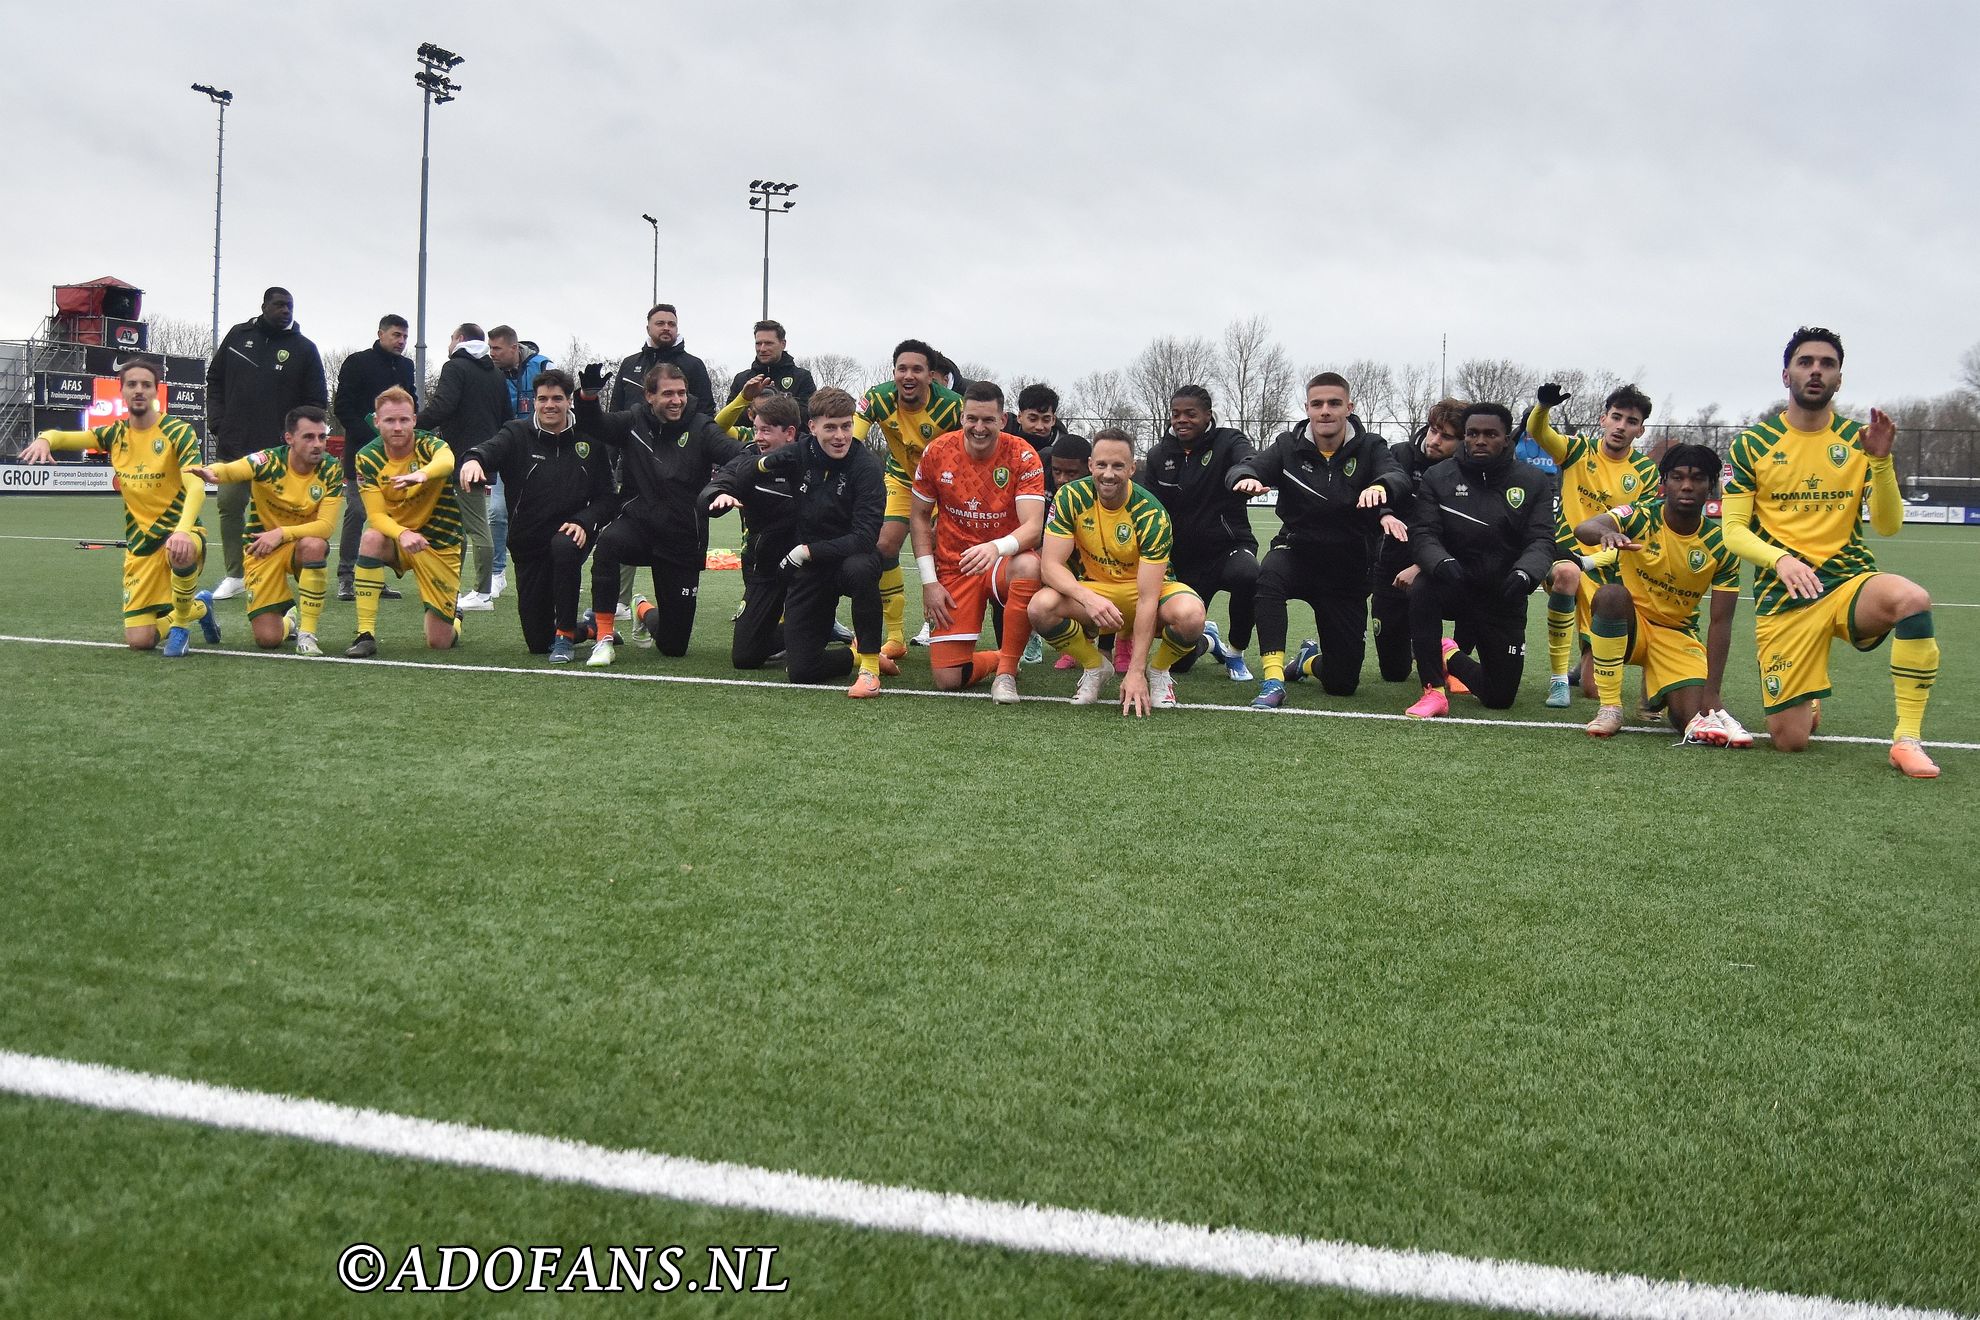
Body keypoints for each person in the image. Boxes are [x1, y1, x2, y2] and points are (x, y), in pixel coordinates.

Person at [1718, 327, 1941, 777]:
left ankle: (1907, 739)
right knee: (1790, 741)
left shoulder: (1858, 441)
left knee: (1912, 600)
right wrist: (1780, 559)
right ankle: (1807, 698)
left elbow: (1888, 525)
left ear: (1840, 377)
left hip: (1847, 581)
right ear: (1786, 375)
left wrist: (1881, 461)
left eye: (1827, 364)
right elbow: (1734, 532)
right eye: (1805, 362)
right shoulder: (1751, 445)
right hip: (1785, 596)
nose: (1816, 370)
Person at [20, 357, 219, 656]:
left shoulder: (179, 432)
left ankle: (180, 624)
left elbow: (195, 486)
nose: (139, 390)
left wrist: (182, 531)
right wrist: (45, 439)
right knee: (140, 640)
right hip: (140, 545)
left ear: (155, 391)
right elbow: (65, 436)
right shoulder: (114, 434)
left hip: (179, 535)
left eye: (146, 385)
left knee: (183, 547)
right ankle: (200, 607)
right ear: (122, 391)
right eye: (132, 384)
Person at [1233, 372, 1406, 709]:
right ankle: (1273, 679)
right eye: (1317, 404)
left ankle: (1306, 662)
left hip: (1347, 570)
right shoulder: (1287, 444)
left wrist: (1381, 486)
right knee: (1268, 573)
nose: (1325, 410)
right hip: (1297, 553)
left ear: (1349, 407)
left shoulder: (1371, 446)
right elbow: (1249, 466)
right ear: (1308, 408)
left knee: (1342, 684)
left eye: (1333, 403)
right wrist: (1246, 477)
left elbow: (1396, 475)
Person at [709, 387, 887, 694]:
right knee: (802, 671)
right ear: (813, 427)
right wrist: (730, 489)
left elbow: (864, 538)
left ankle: (870, 668)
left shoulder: (867, 467)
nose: (840, 436)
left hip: (845, 557)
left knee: (862, 569)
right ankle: (853, 654)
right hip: (812, 569)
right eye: (830, 427)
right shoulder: (799, 453)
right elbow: (751, 467)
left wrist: (806, 551)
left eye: (846, 426)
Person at [1571, 444, 1748, 742]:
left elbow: (1721, 623)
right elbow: (1585, 527)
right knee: (1611, 595)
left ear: (1711, 485)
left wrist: (1712, 693)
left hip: (1677, 635)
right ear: (1664, 482)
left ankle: (1659, 691)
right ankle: (1610, 707)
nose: (1687, 486)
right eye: (1677, 477)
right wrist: (1606, 533)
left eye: (1698, 478)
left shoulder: (1722, 544)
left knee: (1691, 720)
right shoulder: (1641, 516)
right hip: (1632, 627)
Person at [575, 362, 744, 667]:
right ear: (649, 396)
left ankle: (642, 609)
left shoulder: (702, 427)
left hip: (681, 536)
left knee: (673, 646)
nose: (677, 400)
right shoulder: (633, 420)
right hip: (639, 525)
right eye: (668, 393)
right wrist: (587, 397)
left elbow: (741, 455)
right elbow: (595, 424)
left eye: (681, 393)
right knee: (609, 543)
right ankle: (604, 637)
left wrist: (721, 488)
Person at [1031, 428, 1206, 715]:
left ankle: (1159, 671)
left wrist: (1136, 671)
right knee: (1040, 607)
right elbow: (1049, 567)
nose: (1108, 474)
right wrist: (1087, 597)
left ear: (1132, 468)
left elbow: (1148, 597)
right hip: (1097, 590)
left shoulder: (1151, 513)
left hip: (1146, 591)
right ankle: (1095, 667)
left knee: (1192, 615)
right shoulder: (1070, 497)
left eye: (1118, 466)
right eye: (1101, 465)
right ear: (1090, 465)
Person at [1403, 403, 1556, 716]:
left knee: (1499, 698)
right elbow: (1423, 534)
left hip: (1504, 592)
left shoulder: (1534, 481)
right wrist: (1440, 562)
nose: (1480, 440)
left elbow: (1541, 540)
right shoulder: (1438, 477)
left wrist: (1526, 573)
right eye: (1472, 434)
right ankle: (1432, 690)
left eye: (1490, 434)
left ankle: (1450, 655)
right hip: (1454, 584)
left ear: (1505, 439)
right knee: (1422, 587)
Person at [458, 370, 617, 663]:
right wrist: (472, 460)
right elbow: (486, 451)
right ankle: (590, 628)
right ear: (534, 403)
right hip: (528, 543)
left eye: (557, 398)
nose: (550, 405)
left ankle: (565, 637)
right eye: (543, 399)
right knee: (536, 641)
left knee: (564, 545)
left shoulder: (590, 438)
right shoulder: (515, 434)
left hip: (572, 534)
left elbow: (608, 498)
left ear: (570, 402)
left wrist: (584, 520)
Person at [909, 381, 1048, 703]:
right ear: (961, 417)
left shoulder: (1022, 454)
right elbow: (918, 517)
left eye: (988, 420)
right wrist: (929, 583)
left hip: (1001, 561)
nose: (979, 427)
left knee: (1028, 563)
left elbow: (1033, 528)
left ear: (1002, 419)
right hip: (954, 566)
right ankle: (999, 657)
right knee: (947, 680)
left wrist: (995, 547)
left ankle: (1006, 674)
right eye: (972, 418)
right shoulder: (938, 452)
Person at [1524, 382, 1660, 707]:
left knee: (1593, 690)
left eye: (1630, 421)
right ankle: (1557, 681)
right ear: (1603, 419)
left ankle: (1581, 666)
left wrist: (1595, 561)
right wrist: (1542, 407)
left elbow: (1635, 530)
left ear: (1640, 430)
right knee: (1568, 573)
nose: (1621, 426)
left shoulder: (1645, 472)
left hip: (1608, 571)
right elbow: (1539, 433)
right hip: (1563, 557)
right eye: (1616, 417)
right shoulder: (1578, 451)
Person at [189, 404, 342, 655]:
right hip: (261, 550)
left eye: (321, 436)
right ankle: (290, 621)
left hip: (297, 545)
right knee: (268, 640)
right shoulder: (268, 461)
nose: (317, 444)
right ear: (289, 438)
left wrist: (281, 533)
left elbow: (325, 527)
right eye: (308, 437)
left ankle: (307, 634)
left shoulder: (330, 468)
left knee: (315, 545)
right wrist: (211, 472)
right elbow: (233, 469)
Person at [206, 286, 327, 601]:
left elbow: (316, 403)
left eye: (290, 305)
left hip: (279, 452)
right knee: (229, 506)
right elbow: (214, 379)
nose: (285, 310)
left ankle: (276, 574)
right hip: (234, 444)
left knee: (279, 516)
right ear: (264, 306)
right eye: (278, 305)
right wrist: (217, 421)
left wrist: (296, 441)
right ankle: (235, 575)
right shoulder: (237, 335)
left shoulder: (305, 349)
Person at [1137, 385, 1257, 680]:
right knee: (1180, 664)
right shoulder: (1158, 455)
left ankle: (1235, 653)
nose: (1181, 420)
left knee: (1248, 575)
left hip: (1227, 549)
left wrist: (1247, 475)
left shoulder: (1229, 441)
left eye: (1190, 414)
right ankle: (1208, 640)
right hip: (1184, 560)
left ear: (1207, 415)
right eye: (1176, 414)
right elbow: (1150, 508)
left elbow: (1248, 459)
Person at [854, 340, 964, 659]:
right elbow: (853, 442)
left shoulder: (953, 406)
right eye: (902, 368)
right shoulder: (877, 397)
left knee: (943, 551)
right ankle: (895, 636)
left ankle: (941, 629)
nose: (908, 375)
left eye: (917, 369)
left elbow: (971, 451)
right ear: (894, 372)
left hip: (945, 486)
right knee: (884, 546)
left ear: (931, 375)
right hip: (902, 479)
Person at [347, 386, 463, 657]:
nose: (397, 427)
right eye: (389, 420)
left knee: (439, 642)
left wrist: (423, 474)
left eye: (403, 420)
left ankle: (454, 617)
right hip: (401, 539)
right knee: (372, 537)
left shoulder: (431, 445)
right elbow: (375, 516)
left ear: (414, 419)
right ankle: (365, 634)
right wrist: (402, 534)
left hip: (439, 541)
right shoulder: (367, 457)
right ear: (377, 422)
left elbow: (447, 461)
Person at [701, 393, 803, 669]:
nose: (758, 436)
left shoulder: (810, 460)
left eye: (766, 430)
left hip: (806, 567)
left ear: (790, 433)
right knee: (745, 656)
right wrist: (718, 495)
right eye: (756, 429)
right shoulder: (747, 459)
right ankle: (809, 629)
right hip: (765, 570)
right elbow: (714, 488)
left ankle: (855, 651)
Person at [418, 323, 512, 612]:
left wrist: (412, 424)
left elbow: (443, 406)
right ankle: (452, 584)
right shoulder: (495, 374)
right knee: (459, 525)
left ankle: (482, 593)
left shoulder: (454, 368)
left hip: (461, 459)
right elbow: (506, 416)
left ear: (459, 339)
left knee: (475, 526)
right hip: (486, 455)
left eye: (450, 337)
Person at [1370, 400, 1463, 684]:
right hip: (1391, 570)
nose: (1435, 441)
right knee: (1394, 673)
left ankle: (1447, 654)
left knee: (1476, 594)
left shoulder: (1464, 472)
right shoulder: (1398, 455)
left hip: (1438, 568)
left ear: (1462, 441)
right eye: (1434, 430)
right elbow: (1377, 490)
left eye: (1446, 437)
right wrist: (1385, 513)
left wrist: (1423, 565)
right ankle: (1307, 659)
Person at [333, 314, 416, 602]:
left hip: (396, 458)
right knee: (357, 511)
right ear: (380, 334)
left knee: (388, 517)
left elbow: (411, 404)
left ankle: (374, 578)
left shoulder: (407, 366)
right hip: (361, 454)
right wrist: (371, 438)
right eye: (396, 335)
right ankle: (345, 577)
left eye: (405, 336)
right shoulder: (357, 363)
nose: (401, 341)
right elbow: (342, 407)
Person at [485, 326, 554, 598]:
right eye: (489, 348)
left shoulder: (542, 366)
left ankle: (550, 570)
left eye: (497, 349)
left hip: (540, 450)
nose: (492, 354)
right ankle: (497, 573)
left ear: (513, 348)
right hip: (508, 449)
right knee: (498, 511)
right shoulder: (489, 374)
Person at [611, 303, 713, 414]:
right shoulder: (629, 364)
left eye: (671, 324)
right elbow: (615, 409)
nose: (666, 328)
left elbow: (705, 410)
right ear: (648, 329)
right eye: (660, 323)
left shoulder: (694, 365)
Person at [726, 320, 816, 414]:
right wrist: (750, 401)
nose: (762, 349)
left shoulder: (802, 378)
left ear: (783, 344)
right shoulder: (742, 380)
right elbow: (728, 420)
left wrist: (777, 403)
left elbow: (809, 418)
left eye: (768, 343)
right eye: (758, 343)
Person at [1007, 383, 1076, 460]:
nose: (1039, 427)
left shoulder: (1064, 450)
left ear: (1053, 420)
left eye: (1046, 420)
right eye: (1033, 419)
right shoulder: (1000, 440)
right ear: (1019, 417)